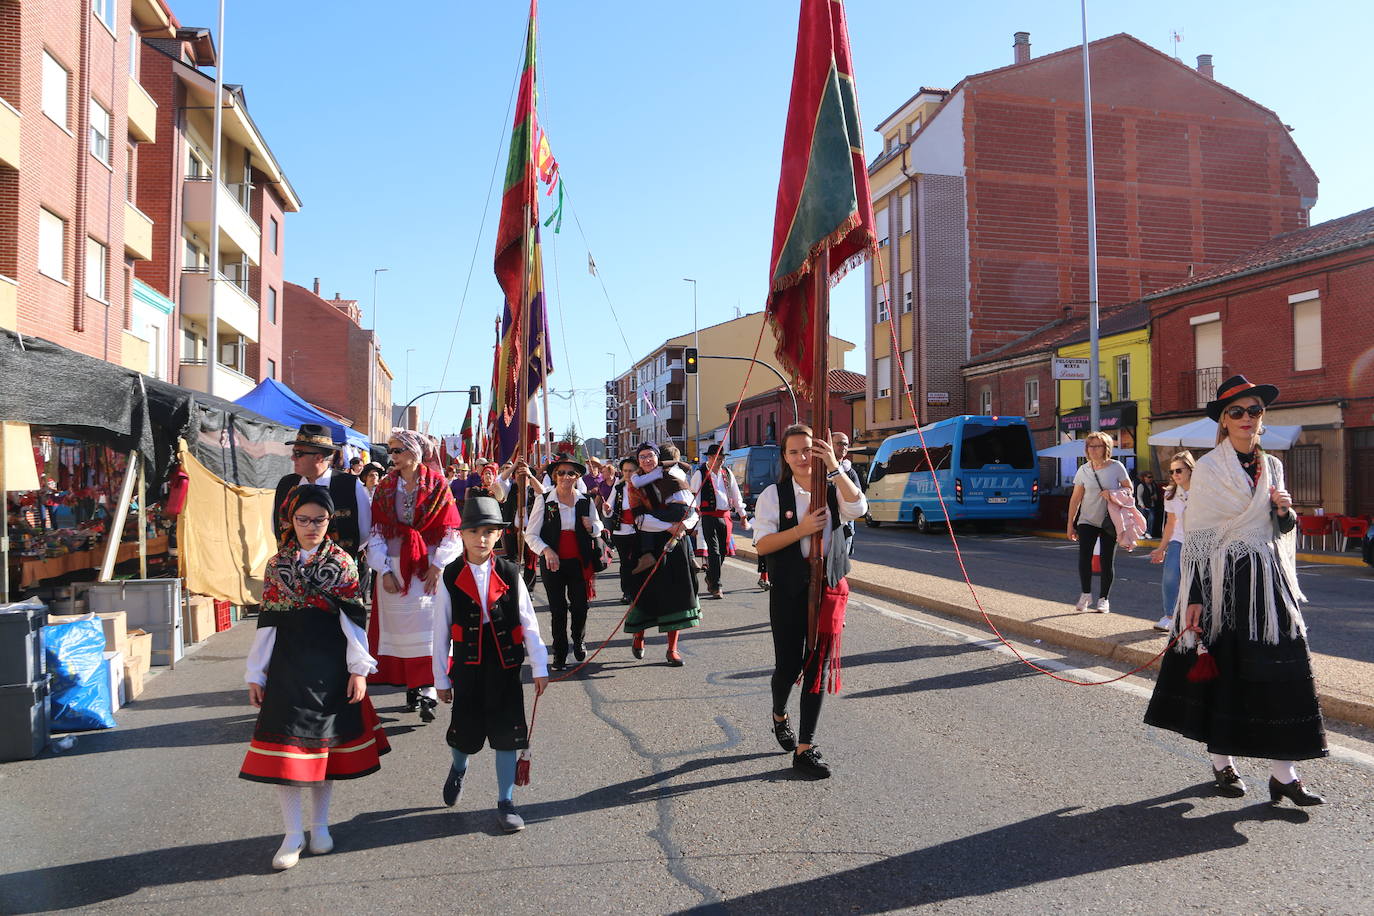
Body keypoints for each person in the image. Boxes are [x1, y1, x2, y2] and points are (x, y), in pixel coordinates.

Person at [1144, 375, 1327, 806]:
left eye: (1255, 411)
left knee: (1283, 669)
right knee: (1225, 670)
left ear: (1263, 418)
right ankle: (1222, 761)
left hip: (1269, 582)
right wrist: (1193, 599)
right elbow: (1199, 539)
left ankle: (1284, 774)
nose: (1248, 418)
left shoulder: (1274, 465)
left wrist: (1285, 513)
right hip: (1223, 586)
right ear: (1223, 422)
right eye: (1237, 412)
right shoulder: (1207, 469)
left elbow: (1278, 531)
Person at [240, 485, 390, 870]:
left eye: (319, 520)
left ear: (330, 521)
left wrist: (359, 670)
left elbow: (354, 620)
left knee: (325, 751)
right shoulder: (278, 565)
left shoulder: (342, 563)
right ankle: (292, 834)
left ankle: (320, 827)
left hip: (330, 666)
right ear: (290, 521)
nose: (311, 527)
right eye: (303, 519)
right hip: (287, 666)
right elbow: (268, 621)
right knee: (287, 754)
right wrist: (256, 672)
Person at [753, 424, 867, 779]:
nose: (803, 458)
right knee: (787, 667)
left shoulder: (832, 486)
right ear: (784, 458)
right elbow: (762, 544)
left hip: (827, 589)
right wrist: (801, 530)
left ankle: (805, 746)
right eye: (794, 452)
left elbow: (859, 508)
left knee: (817, 667)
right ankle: (778, 713)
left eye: (808, 450)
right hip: (788, 589)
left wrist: (834, 467)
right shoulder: (773, 494)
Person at [432, 493, 549, 833]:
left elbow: (528, 622)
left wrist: (539, 666)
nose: (481, 538)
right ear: (462, 534)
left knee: (506, 735)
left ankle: (506, 801)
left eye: (488, 531)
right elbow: (440, 629)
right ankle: (458, 767)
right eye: (473, 531)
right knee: (464, 734)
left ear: (499, 535)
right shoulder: (450, 575)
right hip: (467, 667)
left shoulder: (511, 572)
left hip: (505, 667)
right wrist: (440, 676)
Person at [365, 429, 462, 721]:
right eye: (390, 451)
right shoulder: (384, 487)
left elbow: (450, 530)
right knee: (399, 630)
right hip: (395, 565)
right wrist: (382, 569)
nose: (391, 456)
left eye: (396, 451)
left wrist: (438, 565)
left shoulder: (438, 485)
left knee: (431, 628)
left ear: (414, 453)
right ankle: (411, 684)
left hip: (428, 565)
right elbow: (376, 531)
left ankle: (428, 688)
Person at [274, 423, 373, 598]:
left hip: (337, 576)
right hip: (294, 577)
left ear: (319, 457)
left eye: (298, 453)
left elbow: (364, 531)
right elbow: (275, 525)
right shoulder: (287, 484)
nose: (292, 458)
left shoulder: (349, 484)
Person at [524, 453, 604, 670]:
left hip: (578, 561)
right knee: (558, 610)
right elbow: (530, 535)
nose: (566, 477)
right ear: (554, 476)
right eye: (561, 473)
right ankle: (559, 652)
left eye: (571, 473)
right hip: (553, 563)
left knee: (580, 607)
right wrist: (547, 551)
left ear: (577, 476)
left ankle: (578, 639)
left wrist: (591, 527)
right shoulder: (545, 500)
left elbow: (598, 529)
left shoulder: (585, 501)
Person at [624, 442, 700, 665]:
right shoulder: (634, 485)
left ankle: (672, 649)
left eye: (651, 456)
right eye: (643, 457)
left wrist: (684, 525)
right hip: (650, 542)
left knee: (677, 593)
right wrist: (668, 527)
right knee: (646, 593)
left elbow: (692, 509)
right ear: (638, 461)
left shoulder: (673, 475)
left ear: (658, 458)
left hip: (678, 542)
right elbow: (640, 520)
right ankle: (639, 636)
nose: (647, 460)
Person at [1065, 431, 1131, 613]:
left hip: (1110, 520)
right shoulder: (1084, 470)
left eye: (1097, 446)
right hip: (1087, 520)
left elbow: (1129, 490)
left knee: (1107, 560)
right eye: (1090, 446)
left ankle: (1104, 599)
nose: (1093, 450)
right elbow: (1075, 498)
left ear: (1106, 448)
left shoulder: (1117, 467)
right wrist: (1070, 524)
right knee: (1084, 559)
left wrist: (1112, 494)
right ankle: (1086, 594)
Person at [690, 444, 749, 600]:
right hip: (708, 516)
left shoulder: (727, 473)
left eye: (722, 459)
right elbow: (693, 497)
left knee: (722, 551)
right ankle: (716, 586)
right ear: (709, 458)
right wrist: (694, 519)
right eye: (718, 459)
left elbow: (736, 495)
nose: (721, 462)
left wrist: (743, 515)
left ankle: (710, 576)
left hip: (725, 517)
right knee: (714, 552)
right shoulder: (700, 474)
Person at [1150, 451, 1195, 632]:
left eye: (1179, 470)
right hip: (1178, 539)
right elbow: (1170, 522)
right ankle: (1169, 616)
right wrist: (1161, 548)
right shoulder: (1171, 493)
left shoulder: (1203, 491)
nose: (1175, 475)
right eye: (1172, 471)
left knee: (1196, 582)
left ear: (1190, 470)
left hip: (1199, 541)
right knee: (1170, 577)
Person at [604, 457, 641, 604]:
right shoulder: (618, 487)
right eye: (625, 470)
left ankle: (639, 590)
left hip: (640, 529)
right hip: (621, 531)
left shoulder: (642, 485)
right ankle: (627, 592)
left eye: (630, 470)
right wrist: (606, 509)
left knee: (639, 561)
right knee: (626, 562)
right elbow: (609, 508)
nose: (627, 473)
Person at [830, 433, 863, 556]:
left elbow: (858, 498)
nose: (843, 447)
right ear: (830, 445)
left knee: (842, 561)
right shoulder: (819, 468)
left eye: (845, 444)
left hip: (845, 524)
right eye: (839, 443)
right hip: (826, 523)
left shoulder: (850, 472)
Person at [1134, 471, 1162, 540]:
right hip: (1143, 506)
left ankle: (1148, 533)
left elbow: (1155, 494)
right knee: (1143, 520)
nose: (1151, 479)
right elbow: (1139, 496)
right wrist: (1142, 504)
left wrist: (1154, 497)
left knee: (1151, 519)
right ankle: (1142, 533)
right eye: (1149, 477)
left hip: (1151, 505)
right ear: (1144, 478)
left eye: (1151, 477)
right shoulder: (1141, 485)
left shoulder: (1153, 485)